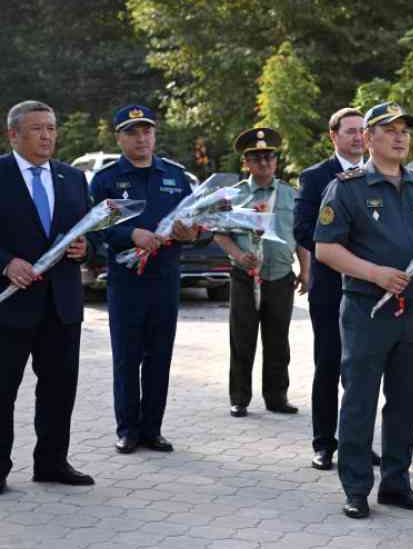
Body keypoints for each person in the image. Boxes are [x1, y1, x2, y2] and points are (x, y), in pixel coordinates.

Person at [313, 102, 413, 518]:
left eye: (405, 130)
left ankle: (396, 482)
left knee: (405, 398)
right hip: (367, 309)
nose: (400, 137)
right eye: (389, 130)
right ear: (369, 138)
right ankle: (356, 486)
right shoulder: (348, 186)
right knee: (360, 399)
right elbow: (325, 248)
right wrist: (373, 273)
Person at [91, 104, 199, 455]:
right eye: (132, 132)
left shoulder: (174, 176)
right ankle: (128, 429)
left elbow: (195, 223)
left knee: (160, 355)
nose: (141, 138)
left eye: (147, 131)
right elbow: (95, 230)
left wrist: (190, 233)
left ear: (154, 134)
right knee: (127, 355)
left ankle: (153, 428)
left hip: (165, 278)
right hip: (126, 282)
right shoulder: (107, 179)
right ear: (119, 137)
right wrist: (131, 234)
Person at [0, 101, 94, 493]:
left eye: (52, 129)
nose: (47, 136)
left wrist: (84, 248)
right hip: (12, 304)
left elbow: (89, 232)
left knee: (58, 388)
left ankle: (52, 462)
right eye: (37, 129)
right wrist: (5, 263)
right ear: (14, 135)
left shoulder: (72, 178)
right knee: (3, 389)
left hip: (63, 303)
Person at [295, 108, 381, 470]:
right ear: (334, 137)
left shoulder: (379, 174)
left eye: (363, 131)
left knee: (363, 369)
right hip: (331, 286)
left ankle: (358, 442)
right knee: (329, 364)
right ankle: (324, 442)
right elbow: (302, 229)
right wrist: (341, 251)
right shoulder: (316, 178)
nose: (358, 137)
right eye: (350, 132)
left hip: (371, 287)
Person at [214, 127, 300, 418]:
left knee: (278, 340)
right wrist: (239, 256)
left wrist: (307, 271)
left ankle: (277, 397)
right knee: (242, 338)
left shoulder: (290, 194)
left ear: (276, 161)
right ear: (246, 163)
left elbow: (302, 236)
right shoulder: (234, 196)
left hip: (280, 276)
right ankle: (239, 398)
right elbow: (220, 234)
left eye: (269, 157)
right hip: (244, 277)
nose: (264, 163)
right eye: (257, 158)